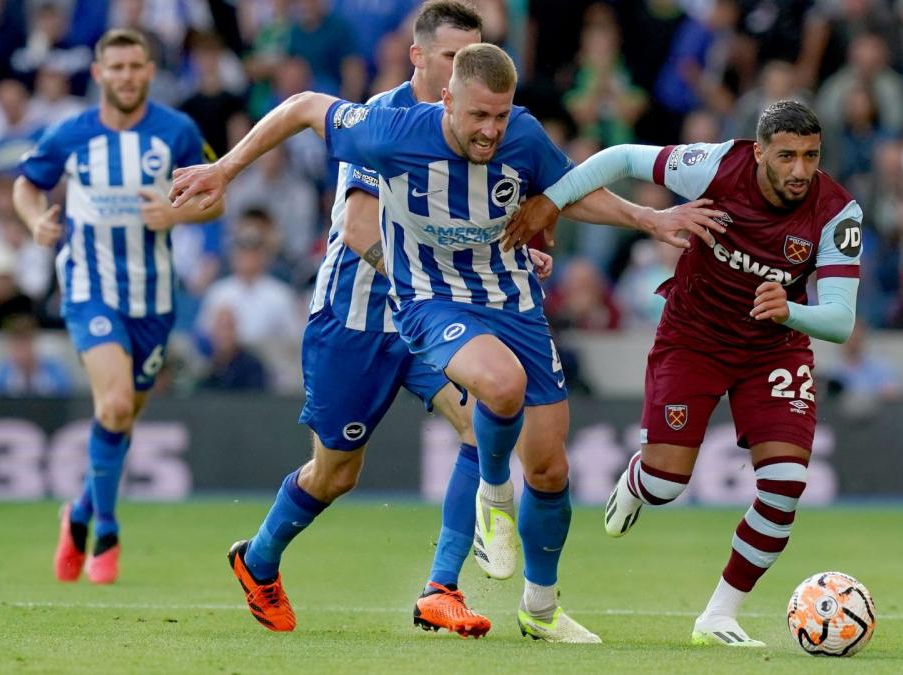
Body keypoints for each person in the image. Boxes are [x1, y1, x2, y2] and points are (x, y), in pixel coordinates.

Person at [169, 39, 722, 642]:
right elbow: (320, 145)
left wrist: (649, 218)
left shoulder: (519, 133)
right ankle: (259, 559)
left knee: (500, 428)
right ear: (434, 74)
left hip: (476, 310)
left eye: (500, 114)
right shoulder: (386, 126)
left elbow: (567, 186)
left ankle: (448, 588)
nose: (491, 129)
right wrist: (223, 168)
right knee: (335, 474)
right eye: (453, 57)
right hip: (364, 319)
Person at [503, 100, 862, 647]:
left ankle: (718, 615)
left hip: (775, 348)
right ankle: (641, 480)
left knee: (786, 484)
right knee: (668, 484)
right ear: (759, 151)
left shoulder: (837, 213)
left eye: (811, 157)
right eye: (786, 155)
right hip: (693, 338)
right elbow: (622, 156)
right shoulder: (714, 165)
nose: (799, 170)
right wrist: (552, 202)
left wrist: (790, 310)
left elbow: (839, 318)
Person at [12, 29, 222, 584]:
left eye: (137, 66)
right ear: (99, 74)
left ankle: (77, 512)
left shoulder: (176, 131)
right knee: (113, 402)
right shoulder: (71, 133)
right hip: (89, 287)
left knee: (123, 414)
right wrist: (37, 221)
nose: (127, 76)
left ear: (150, 71)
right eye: (117, 67)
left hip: (153, 298)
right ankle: (105, 530)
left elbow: (213, 197)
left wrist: (177, 216)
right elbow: (26, 185)